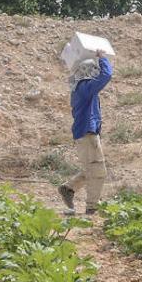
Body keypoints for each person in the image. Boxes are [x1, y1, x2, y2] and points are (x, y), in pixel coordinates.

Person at [58, 51, 113, 215]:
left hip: (85, 133)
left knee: (92, 168)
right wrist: (103, 59)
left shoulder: (79, 89)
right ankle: (92, 207)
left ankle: (69, 188)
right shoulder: (85, 87)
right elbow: (106, 75)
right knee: (98, 171)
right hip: (87, 134)